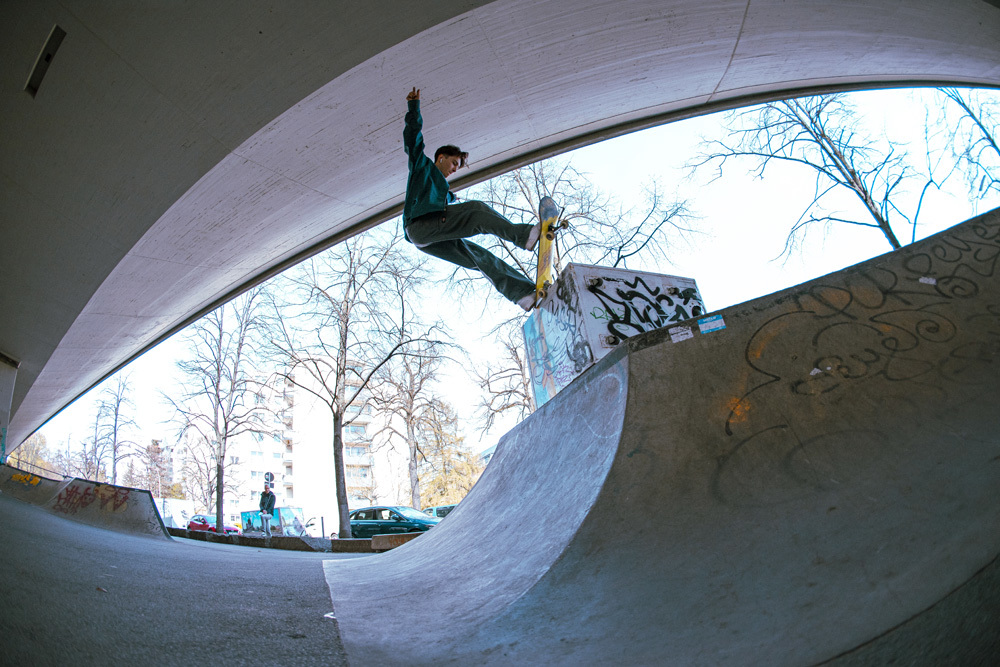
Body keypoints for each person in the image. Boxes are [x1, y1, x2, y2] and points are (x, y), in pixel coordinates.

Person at [402, 87, 540, 311]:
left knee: (478, 256)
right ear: (441, 157)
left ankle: (522, 293)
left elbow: (437, 198)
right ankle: (523, 236)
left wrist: (449, 196)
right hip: (421, 225)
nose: (454, 169)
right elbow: (413, 142)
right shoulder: (423, 167)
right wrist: (413, 109)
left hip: (426, 239)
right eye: (454, 163)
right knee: (476, 211)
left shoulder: (441, 190)